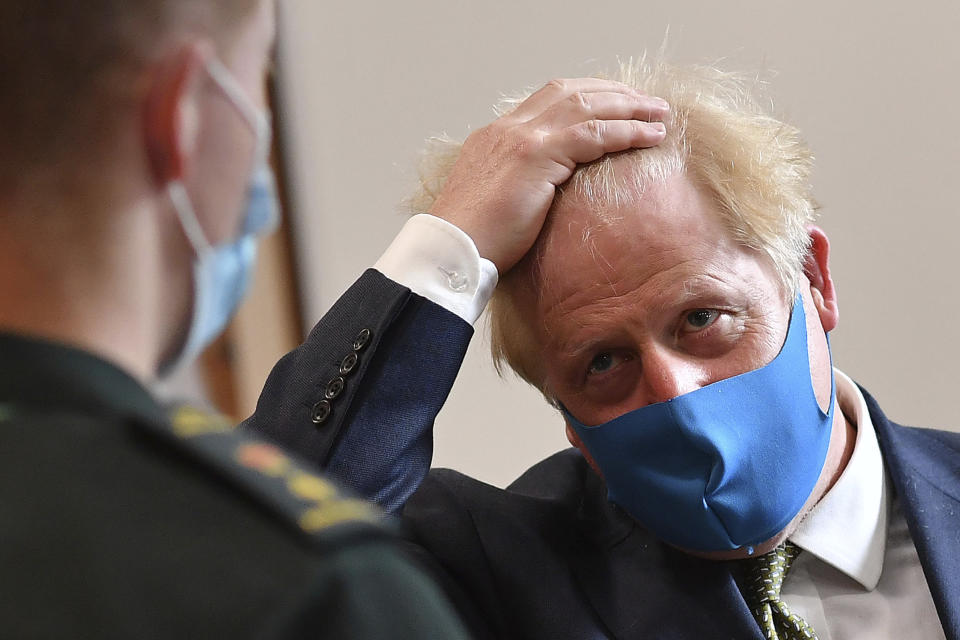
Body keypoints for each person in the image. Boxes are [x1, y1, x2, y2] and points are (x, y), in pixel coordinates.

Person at [0, 0, 671, 636]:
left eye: (702, 318)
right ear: (186, 119)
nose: (676, 390)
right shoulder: (295, 585)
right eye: (256, 79)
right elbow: (276, 530)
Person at [250, 58, 960, 640]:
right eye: (603, 362)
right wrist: (450, 247)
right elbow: (260, 552)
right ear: (564, 414)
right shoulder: (501, 577)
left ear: (813, 280)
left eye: (703, 318)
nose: (676, 394)